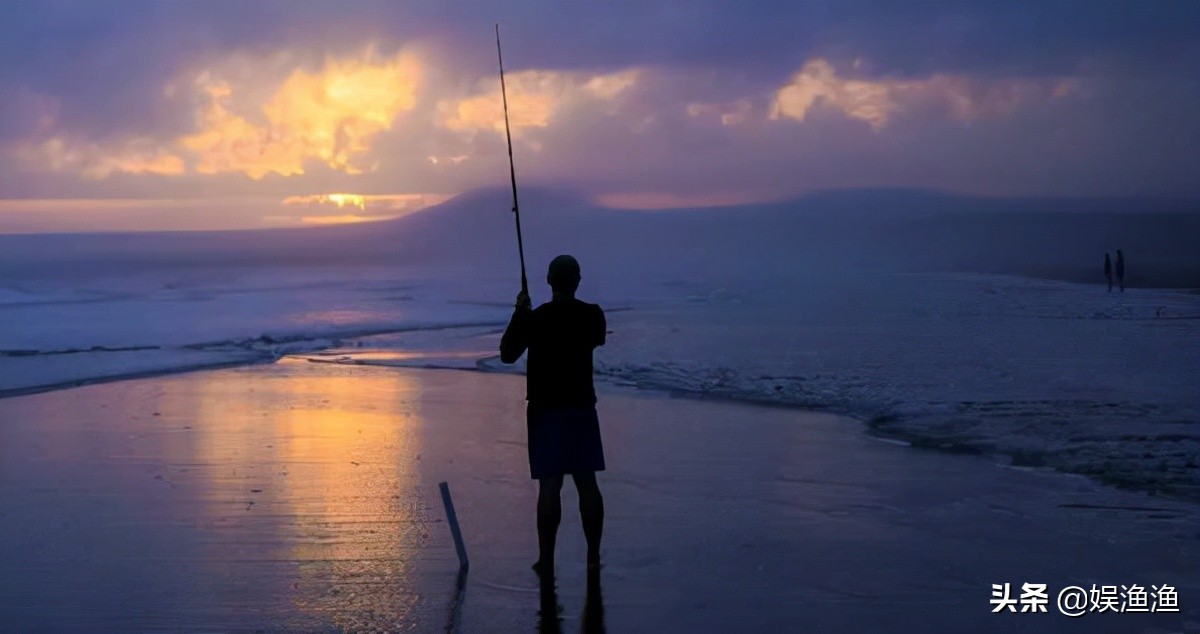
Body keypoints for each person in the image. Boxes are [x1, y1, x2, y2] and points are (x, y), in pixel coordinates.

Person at [500, 255, 606, 578]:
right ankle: (592, 556)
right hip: (581, 408)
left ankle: (546, 560)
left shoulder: (536, 319)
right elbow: (597, 337)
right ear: (578, 281)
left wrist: (520, 314)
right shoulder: (592, 315)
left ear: (549, 281)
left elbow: (507, 354)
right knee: (587, 483)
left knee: (550, 486)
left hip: (546, 411)